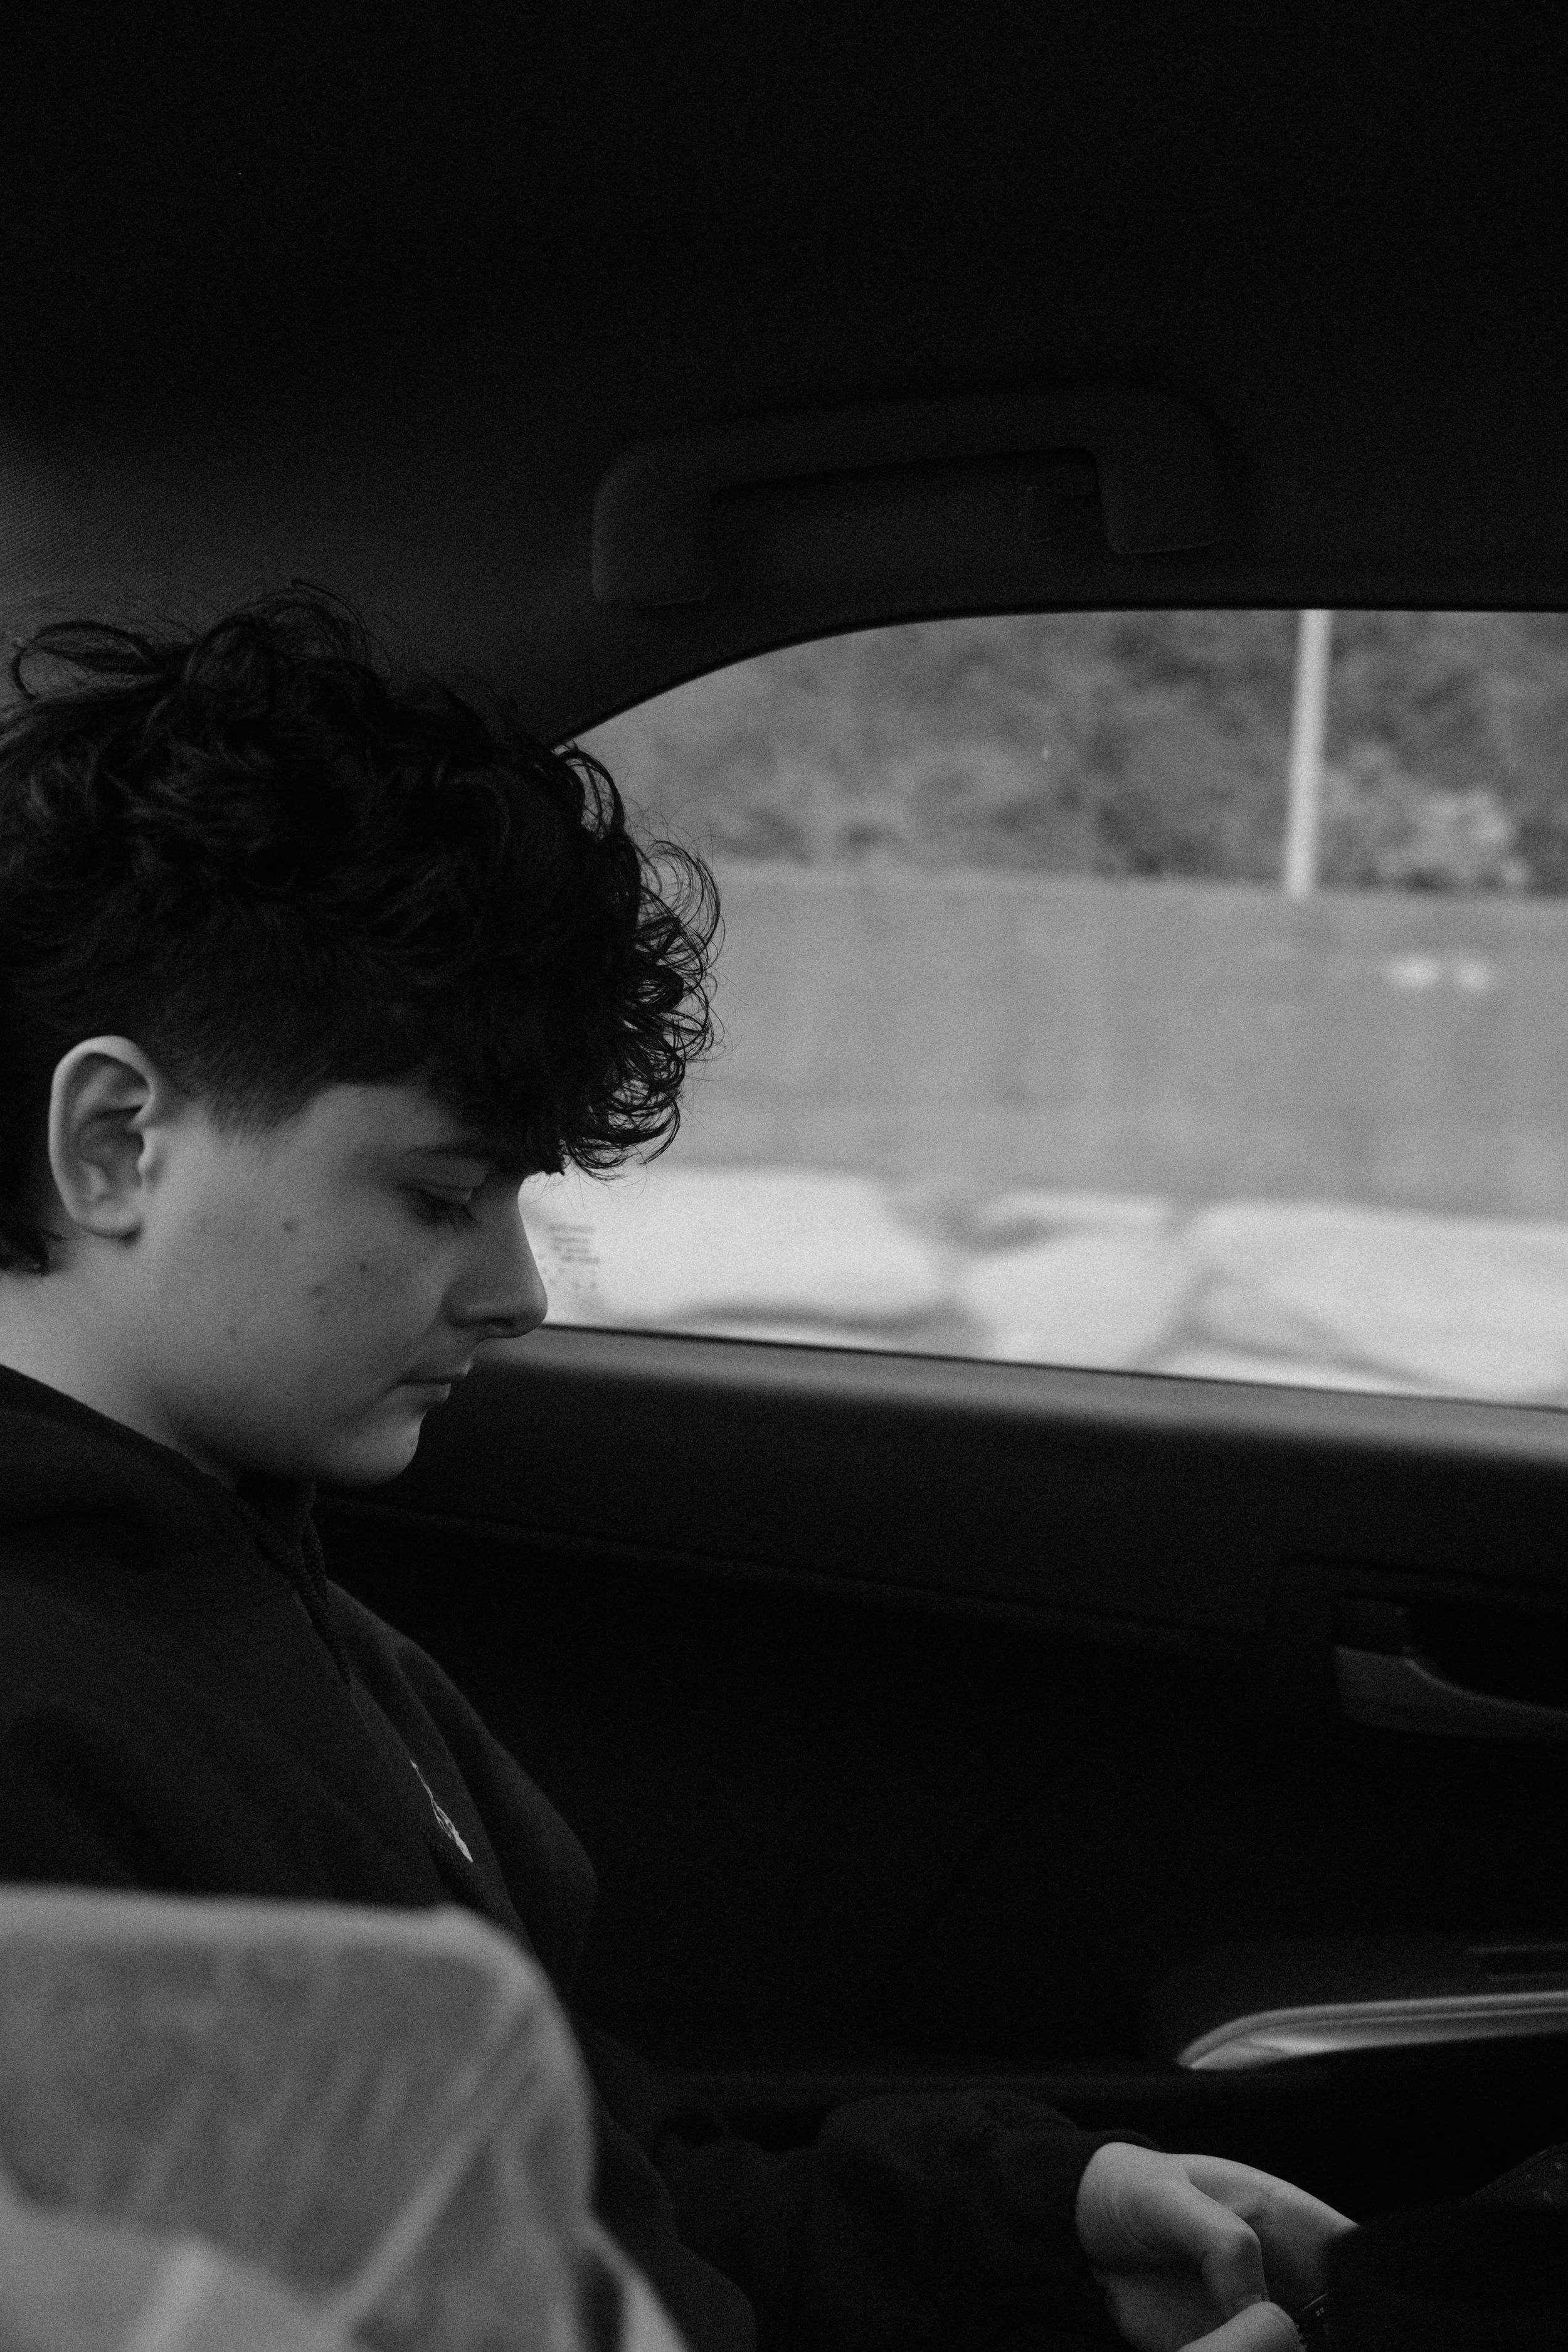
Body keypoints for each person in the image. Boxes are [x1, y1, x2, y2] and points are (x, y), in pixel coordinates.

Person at [0, 584, 1352, 2352]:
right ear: (116, 1141)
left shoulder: (271, 1605)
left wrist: (1026, 2222)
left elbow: (584, 2189)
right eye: (434, 1193)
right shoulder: (45, 1753)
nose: (516, 1288)